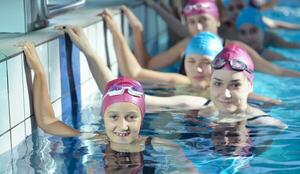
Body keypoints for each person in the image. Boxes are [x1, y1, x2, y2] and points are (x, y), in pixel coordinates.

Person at [23, 42, 221, 174]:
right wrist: (39, 73)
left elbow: (187, 171)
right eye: (114, 117)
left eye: (131, 117)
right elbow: (48, 122)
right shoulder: (98, 139)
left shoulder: (161, 145)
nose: (122, 125)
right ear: (103, 117)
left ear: (142, 118)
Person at [55, 24, 286, 128]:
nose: (225, 94)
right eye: (218, 83)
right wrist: (89, 51)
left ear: (249, 85)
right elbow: (121, 96)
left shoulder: (269, 125)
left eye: (235, 84)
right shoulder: (193, 103)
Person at [102, 8, 281, 105]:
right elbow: (136, 73)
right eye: (191, 62)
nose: (198, 69)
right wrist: (123, 32)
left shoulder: (231, 93)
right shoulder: (181, 81)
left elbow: (273, 97)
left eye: (206, 63)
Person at [124, 1, 300, 78]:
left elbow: (277, 72)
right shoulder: (186, 45)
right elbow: (147, 66)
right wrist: (137, 31)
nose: (198, 28)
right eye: (192, 22)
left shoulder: (235, 49)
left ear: (218, 20)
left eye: (203, 20)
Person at [236, 7, 300, 60]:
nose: (248, 37)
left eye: (253, 31)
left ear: (262, 30)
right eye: (242, 32)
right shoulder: (233, 50)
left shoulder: (271, 55)